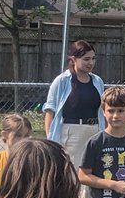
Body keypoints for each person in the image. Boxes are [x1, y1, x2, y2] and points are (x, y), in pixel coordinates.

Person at [42, 40, 105, 182]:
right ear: (73, 59)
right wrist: (51, 142)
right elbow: (50, 112)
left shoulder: (97, 81)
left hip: (95, 132)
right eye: (86, 59)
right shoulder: (62, 81)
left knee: (94, 176)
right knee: (71, 177)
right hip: (71, 134)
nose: (91, 63)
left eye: (93, 59)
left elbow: (103, 111)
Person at [0, 113, 32, 194]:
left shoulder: (32, 159)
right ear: (5, 135)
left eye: (26, 136)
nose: (23, 140)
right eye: (18, 135)